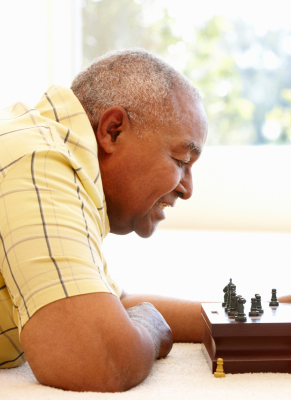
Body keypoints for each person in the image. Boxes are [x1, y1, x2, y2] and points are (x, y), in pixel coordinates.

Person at [0, 49, 210, 391]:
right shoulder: (38, 160)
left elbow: (111, 306)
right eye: (181, 160)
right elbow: (96, 357)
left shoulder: (49, 152)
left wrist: (242, 314)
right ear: (112, 131)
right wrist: (151, 327)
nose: (187, 189)